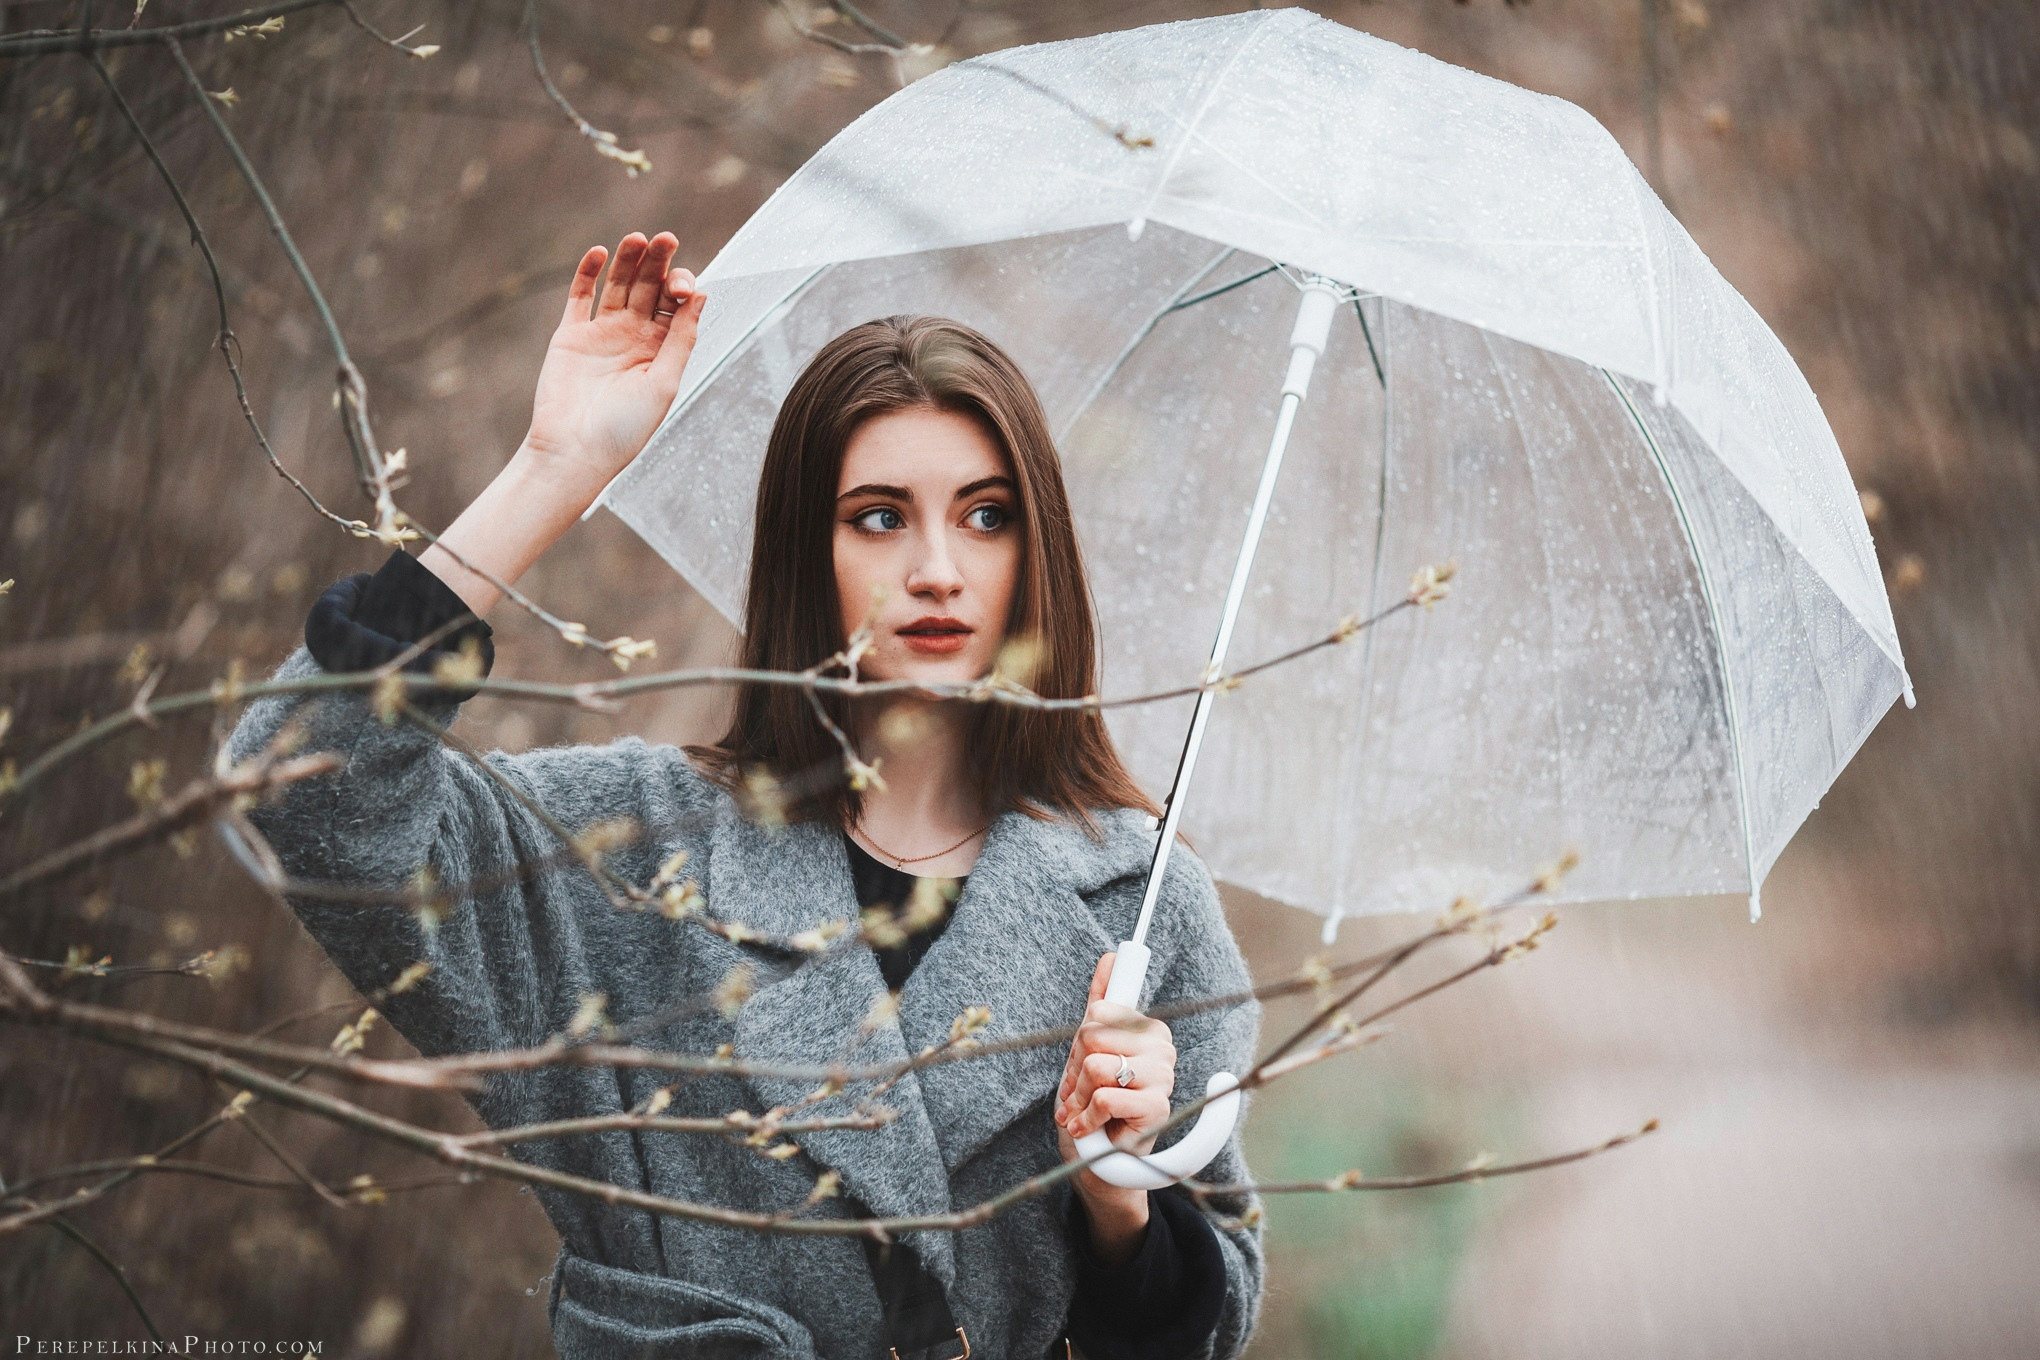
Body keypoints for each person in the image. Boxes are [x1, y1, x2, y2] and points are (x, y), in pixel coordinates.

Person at [227, 231, 1264, 1360]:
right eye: (879, 515)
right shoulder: (632, 853)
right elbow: (307, 791)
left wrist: (1122, 1198)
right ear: (802, 552)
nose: (936, 567)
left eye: (985, 514)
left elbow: (1216, 1330)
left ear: (1036, 549)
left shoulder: (1138, 904)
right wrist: (555, 465)